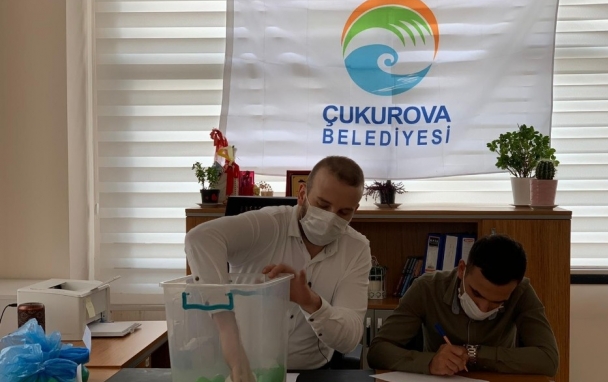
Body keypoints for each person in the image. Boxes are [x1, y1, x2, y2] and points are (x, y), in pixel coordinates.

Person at [185, 155, 372, 379]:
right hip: (242, 370)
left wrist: (310, 301)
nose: (331, 218)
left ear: (355, 210)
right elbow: (200, 238)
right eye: (323, 205)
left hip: (310, 373)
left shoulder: (356, 249)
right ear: (302, 194)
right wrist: (229, 335)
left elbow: (349, 339)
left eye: (344, 212)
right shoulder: (270, 224)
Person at [367, 234, 559, 377]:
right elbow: (378, 351)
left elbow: (548, 360)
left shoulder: (522, 292)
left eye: (497, 302)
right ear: (462, 270)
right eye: (477, 294)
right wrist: (430, 362)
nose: (483, 308)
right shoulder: (427, 288)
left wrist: (474, 354)